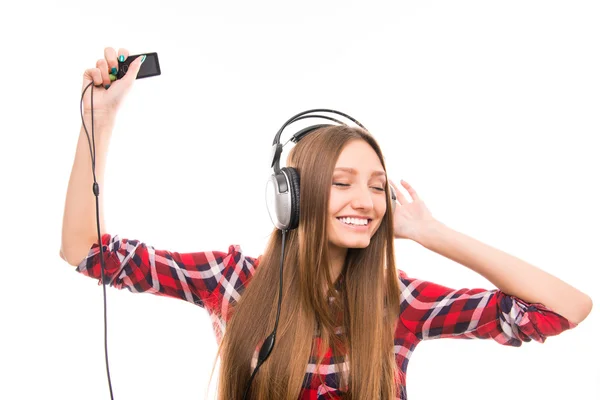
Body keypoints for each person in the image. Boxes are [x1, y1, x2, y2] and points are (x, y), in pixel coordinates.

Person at [60, 47, 593, 400]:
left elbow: (565, 309)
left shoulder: (399, 302)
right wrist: (99, 121)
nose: (365, 200)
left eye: (377, 186)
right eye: (342, 182)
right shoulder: (232, 280)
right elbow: (84, 249)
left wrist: (434, 234)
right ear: (289, 196)